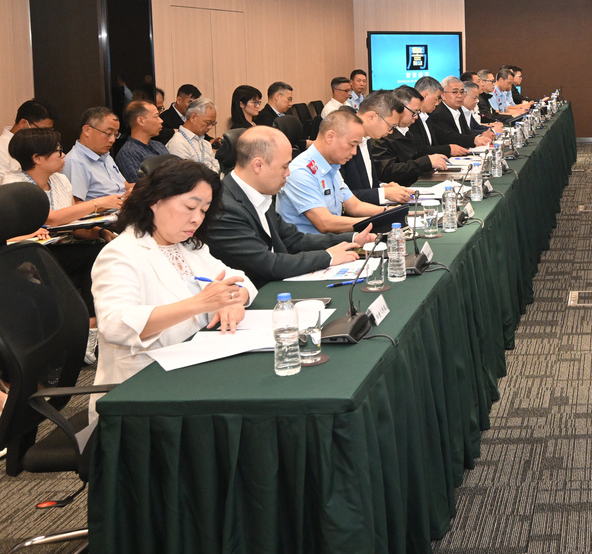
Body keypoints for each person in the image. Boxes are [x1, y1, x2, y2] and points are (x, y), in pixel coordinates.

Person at [89, 157, 258, 427]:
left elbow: (242, 281)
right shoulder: (120, 254)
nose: (197, 218)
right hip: (145, 389)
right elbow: (115, 326)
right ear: (155, 200)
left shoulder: (188, 246)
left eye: (204, 210)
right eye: (190, 207)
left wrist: (233, 301)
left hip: (195, 369)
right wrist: (199, 303)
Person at [4, 127, 120, 364]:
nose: (63, 155)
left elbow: (72, 226)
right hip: (24, 252)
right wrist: (97, 203)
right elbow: (52, 219)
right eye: (58, 151)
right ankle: (77, 335)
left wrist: (99, 231)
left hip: (58, 246)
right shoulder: (13, 185)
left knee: (100, 251)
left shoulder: (60, 181)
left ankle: (90, 327)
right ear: (37, 158)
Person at [205, 126, 372, 287]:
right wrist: (328, 257)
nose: (288, 173)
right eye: (284, 167)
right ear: (258, 165)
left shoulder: (259, 193)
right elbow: (267, 264)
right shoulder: (224, 208)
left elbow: (294, 240)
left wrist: (352, 238)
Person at [277, 109, 388, 234]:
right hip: (309, 244)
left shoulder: (332, 166)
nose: (354, 152)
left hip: (332, 240)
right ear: (330, 137)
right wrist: (378, 221)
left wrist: (389, 212)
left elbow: (355, 206)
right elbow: (325, 223)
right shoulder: (301, 171)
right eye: (352, 145)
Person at [341, 95, 418, 205]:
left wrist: (383, 187)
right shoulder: (343, 141)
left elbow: (366, 184)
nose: (391, 132)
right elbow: (341, 196)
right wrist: (383, 193)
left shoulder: (367, 139)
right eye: (391, 126)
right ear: (371, 117)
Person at [372, 88, 449, 185]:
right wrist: (425, 162)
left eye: (418, 112)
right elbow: (387, 171)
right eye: (414, 112)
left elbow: (412, 161)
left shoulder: (407, 131)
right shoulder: (382, 134)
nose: (416, 117)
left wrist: (430, 162)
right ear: (400, 108)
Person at [64, 107, 129, 202]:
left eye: (115, 134)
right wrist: (110, 203)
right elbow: (74, 205)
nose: (112, 140)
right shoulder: (74, 162)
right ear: (87, 130)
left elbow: (122, 186)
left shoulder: (105, 155)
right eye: (108, 133)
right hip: (107, 210)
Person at [429, 77, 494, 150]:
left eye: (462, 92)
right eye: (455, 92)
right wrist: (475, 139)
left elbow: (466, 132)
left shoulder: (459, 109)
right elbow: (449, 137)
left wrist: (481, 137)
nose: (460, 96)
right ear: (443, 95)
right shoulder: (438, 113)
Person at [113, 100, 170, 182]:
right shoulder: (128, 153)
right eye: (156, 116)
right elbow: (141, 186)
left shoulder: (159, 145)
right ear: (140, 121)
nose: (161, 120)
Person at [414, 77, 471, 157]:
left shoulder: (428, 116)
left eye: (462, 92)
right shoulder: (413, 119)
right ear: (424, 96)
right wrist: (448, 149)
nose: (437, 103)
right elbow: (420, 150)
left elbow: (436, 143)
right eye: (436, 98)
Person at [0, 99, 54, 178]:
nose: (46, 135)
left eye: (49, 130)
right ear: (24, 123)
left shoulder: (41, 145)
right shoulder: (2, 148)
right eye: (42, 130)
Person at [165, 98, 219, 171]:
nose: (210, 127)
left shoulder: (205, 143)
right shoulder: (178, 143)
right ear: (193, 117)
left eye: (213, 124)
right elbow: (186, 174)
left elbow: (217, 168)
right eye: (208, 122)